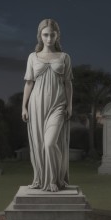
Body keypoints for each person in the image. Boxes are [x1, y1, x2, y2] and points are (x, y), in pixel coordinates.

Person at [22, 19, 73, 192]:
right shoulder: (32, 57)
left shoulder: (64, 57)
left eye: (52, 34)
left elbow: (68, 83)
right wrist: (24, 106)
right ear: (40, 36)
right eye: (45, 35)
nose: (49, 38)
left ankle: (55, 178)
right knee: (38, 144)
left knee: (50, 143)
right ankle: (41, 177)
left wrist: (69, 105)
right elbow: (29, 83)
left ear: (57, 35)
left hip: (58, 104)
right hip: (36, 105)